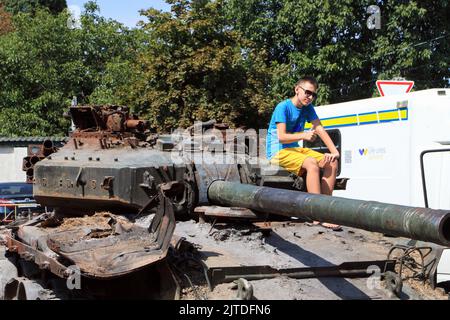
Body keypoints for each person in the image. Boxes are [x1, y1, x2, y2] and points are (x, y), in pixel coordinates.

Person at [266, 76, 341, 230]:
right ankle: (315, 214)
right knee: (311, 163)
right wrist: (304, 135)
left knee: (331, 162)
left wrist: (335, 152)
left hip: (294, 150)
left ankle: (326, 211)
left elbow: (319, 128)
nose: (310, 97)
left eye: (314, 94)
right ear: (297, 89)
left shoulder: (308, 108)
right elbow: (281, 137)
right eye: (307, 92)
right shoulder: (283, 107)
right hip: (278, 151)